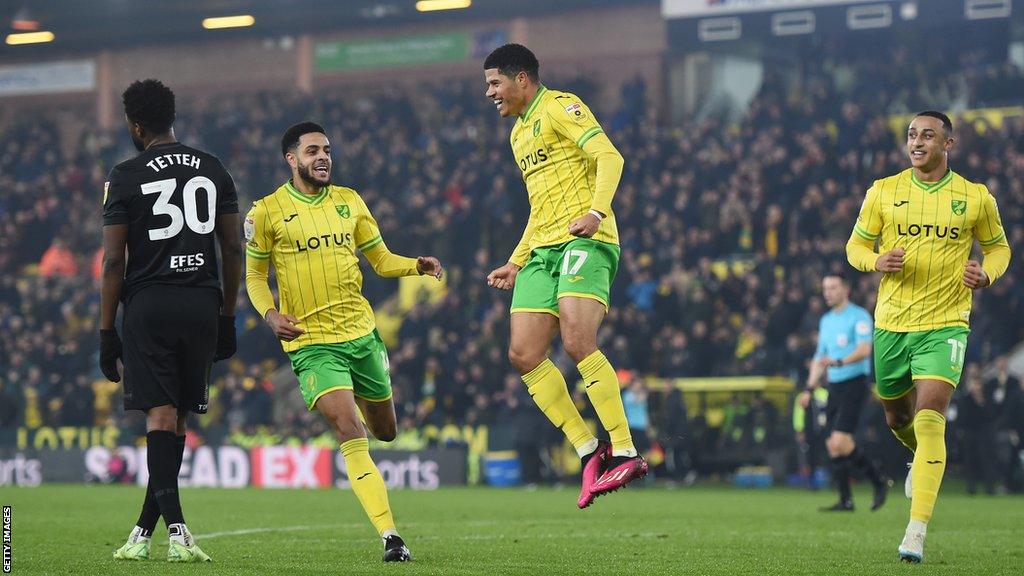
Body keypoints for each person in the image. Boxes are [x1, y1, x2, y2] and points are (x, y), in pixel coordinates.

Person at [245, 121, 443, 562]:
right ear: (291, 159)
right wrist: (270, 314)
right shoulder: (266, 212)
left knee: (385, 432)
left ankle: (364, 415)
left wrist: (416, 265)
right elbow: (255, 276)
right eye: (313, 150)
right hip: (311, 341)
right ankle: (391, 536)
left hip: (361, 333)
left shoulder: (349, 202)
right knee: (349, 429)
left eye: (327, 150)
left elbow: (381, 260)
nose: (323, 157)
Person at [482, 43, 646, 509]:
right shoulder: (517, 135)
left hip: (585, 239)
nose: (490, 93)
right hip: (541, 250)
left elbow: (610, 158)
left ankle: (626, 449)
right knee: (523, 354)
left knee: (577, 341)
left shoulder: (559, 106)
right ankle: (588, 447)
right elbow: (540, 207)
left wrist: (596, 212)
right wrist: (516, 259)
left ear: (521, 79)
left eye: (494, 83)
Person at [846, 110, 1011, 563]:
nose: (917, 142)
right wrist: (874, 261)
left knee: (931, 413)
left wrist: (987, 275)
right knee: (897, 419)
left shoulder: (975, 198)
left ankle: (915, 531)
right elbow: (855, 246)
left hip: (947, 322)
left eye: (928, 135)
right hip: (892, 323)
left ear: (948, 145)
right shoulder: (884, 191)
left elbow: (999, 248)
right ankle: (921, 462)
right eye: (912, 135)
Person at [102, 79, 242, 562]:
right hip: (202, 303)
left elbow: (113, 262)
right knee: (176, 417)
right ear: (172, 117)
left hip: (151, 304)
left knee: (160, 416)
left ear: (135, 125)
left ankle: (178, 530)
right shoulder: (212, 167)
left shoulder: (124, 175)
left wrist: (105, 332)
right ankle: (143, 534)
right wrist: (227, 317)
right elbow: (232, 247)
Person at [799, 273, 889, 512]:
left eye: (833, 287)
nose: (827, 292)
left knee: (839, 440)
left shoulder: (859, 316)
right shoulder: (826, 320)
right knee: (833, 444)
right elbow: (820, 357)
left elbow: (863, 349)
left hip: (855, 383)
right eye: (825, 288)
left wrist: (839, 362)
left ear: (845, 289)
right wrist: (809, 388)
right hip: (834, 387)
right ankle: (846, 500)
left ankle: (878, 481)